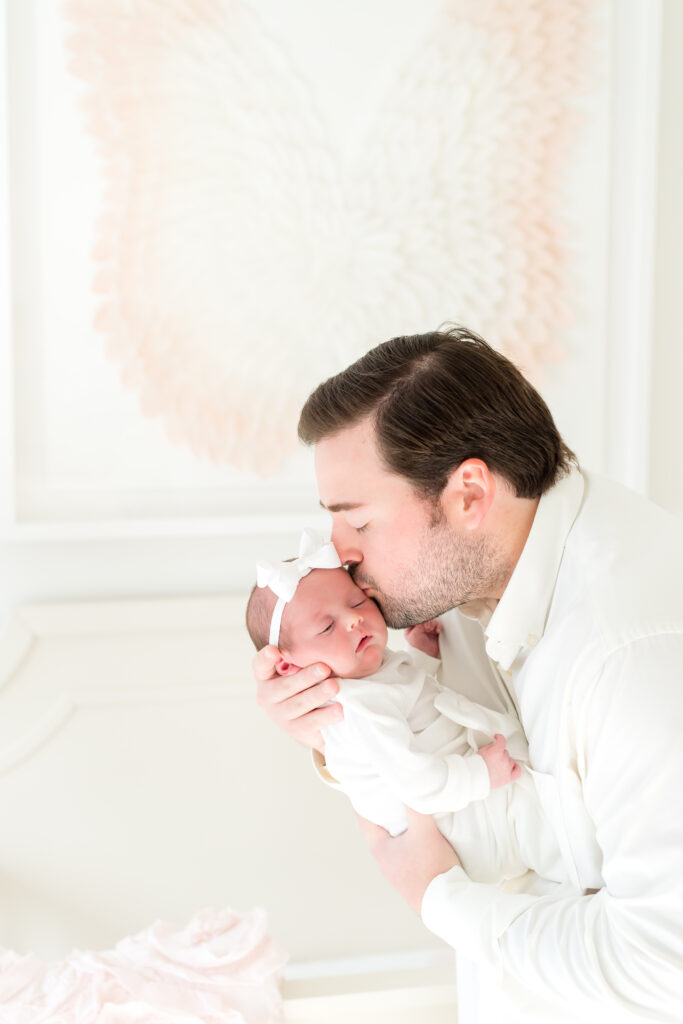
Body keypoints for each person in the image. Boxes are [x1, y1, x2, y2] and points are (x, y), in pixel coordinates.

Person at [253, 327, 683, 1022]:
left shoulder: (631, 659)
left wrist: (435, 896)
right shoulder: (474, 568)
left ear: (468, 493)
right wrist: (332, 720)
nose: (339, 555)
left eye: (356, 521)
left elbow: (662, 964)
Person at [247, 537, 566, 886]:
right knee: (554, 835)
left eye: (357, 601)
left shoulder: (370, 676)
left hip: (460, 801)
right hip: (464, 824)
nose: (354, 619)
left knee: (551, 821)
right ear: (290, 667)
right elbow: (417, 784)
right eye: (326, 627)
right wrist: (481, 775)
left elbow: (413, 703)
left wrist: (424, 658)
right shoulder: (357, 708)